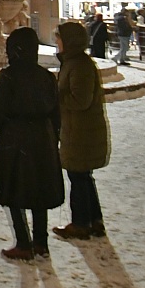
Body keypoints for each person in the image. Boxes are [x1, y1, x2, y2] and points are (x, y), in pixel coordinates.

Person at [0, 27, 64, 260]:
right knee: (39, 192)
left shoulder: (9, 76)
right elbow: (57, 113)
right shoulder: (46, 76)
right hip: (42, 139)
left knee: (12, 190)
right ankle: (41, 243)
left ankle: (23, 243)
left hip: (15, 140)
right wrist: (54, 136)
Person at [52, 21, 109, 240]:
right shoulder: (74, 62)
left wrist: (56, 95)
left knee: (78, 177)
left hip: (81, 132)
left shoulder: (79, 65)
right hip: (79, 130)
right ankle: (94, 221)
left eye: (59, 38)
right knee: (83, 177)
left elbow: (80, 100)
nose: (57, 41)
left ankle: (81, 224)